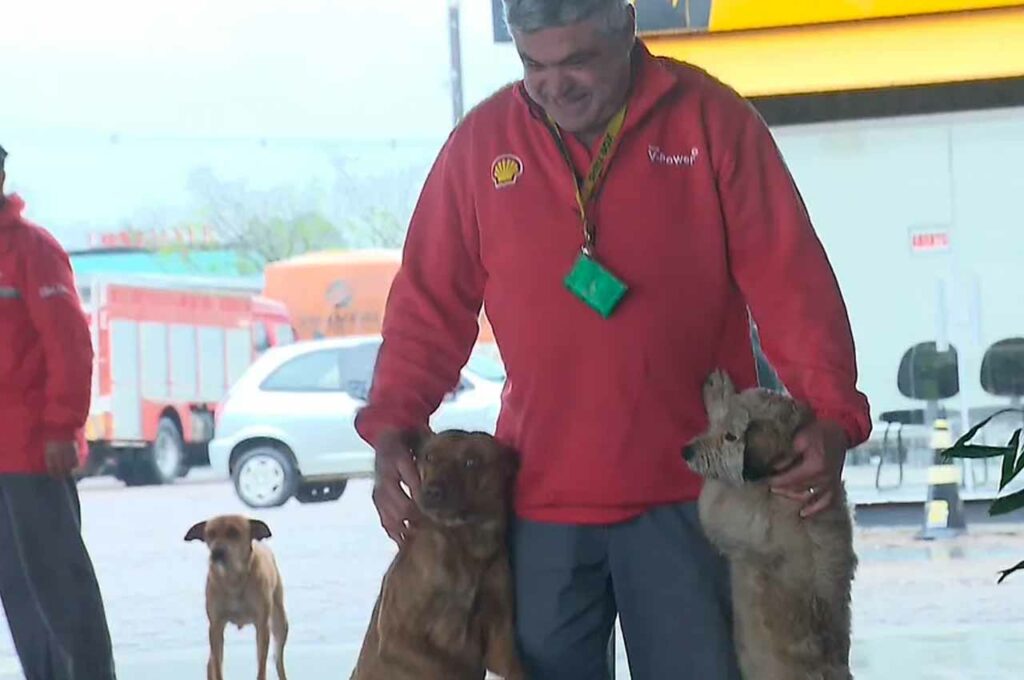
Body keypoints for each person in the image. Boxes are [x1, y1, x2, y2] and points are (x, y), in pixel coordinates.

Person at [354, 1, 872, 678]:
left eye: (576, 62)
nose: (553, 85)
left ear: (626, 30)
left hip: (691, 499)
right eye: (533, 65)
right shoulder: (482, 147)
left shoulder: (710, 121)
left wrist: (832, 415)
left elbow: (791, 279)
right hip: (541, 502)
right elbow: (427, 306)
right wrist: (395, 424)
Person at [0, 144, 117, 680]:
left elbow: (70, 346)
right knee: (18, 592)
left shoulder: (32, 250)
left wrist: (62, 426)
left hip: (31, 452)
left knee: (59, 588)